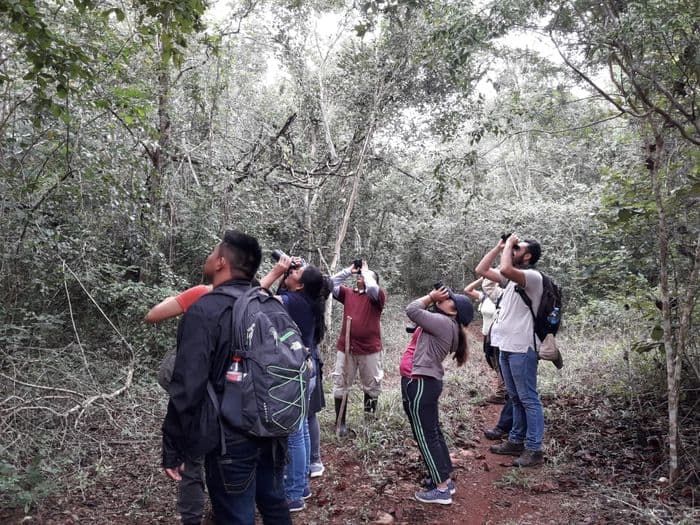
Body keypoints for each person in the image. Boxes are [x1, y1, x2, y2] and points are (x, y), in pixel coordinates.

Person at [162, 230, 292, 525]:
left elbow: (187, 384)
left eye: (212, 252)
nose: (208, 257)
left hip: (230, 438)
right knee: (274, 504)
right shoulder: (268, 303)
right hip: (274, 426)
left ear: (221, 262)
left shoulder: (205, 310)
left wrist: (174, 444)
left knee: (236, 515)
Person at [260, 254, 330, 512]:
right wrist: (287, 273)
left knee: (294, 433)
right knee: (299, 429)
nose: (291, 272)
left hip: (297, 371)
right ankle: (301, 487)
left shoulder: (293, 301)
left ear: (300, 285)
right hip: (307, 366)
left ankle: (294, 495)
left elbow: (254, 298)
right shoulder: (304, 299)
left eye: (296, 273)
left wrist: (276, 271)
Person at [475, 234, 545, 467]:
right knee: (514, 397)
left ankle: (534, 449)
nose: (511, 250)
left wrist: (510, 245)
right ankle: (515, 440)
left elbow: (505, 268)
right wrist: (498, 246)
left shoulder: (532, 277)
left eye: (517, 248)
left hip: (522, 348)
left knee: (528, 398)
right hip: (505, 346)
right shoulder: (512, 280)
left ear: (527, 256)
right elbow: (481, 269)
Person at [399, 285, 473, 505]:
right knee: (432, 433)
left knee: (424, 435)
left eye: (451, 299)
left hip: (420, 383)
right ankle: (444, 479)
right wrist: (435, 299)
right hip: (426, 383)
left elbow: (412, 309)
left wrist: (431, 297)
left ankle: (441, 489)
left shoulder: (442, 323)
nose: (445, 297)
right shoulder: (446, 323)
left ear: (454, 312)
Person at [145, 284, 211, 525]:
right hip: (233, 393)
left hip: (196, 388)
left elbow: (153, 314)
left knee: (193, 461)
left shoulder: (203, 292)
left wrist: (173, 300)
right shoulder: (251, 294)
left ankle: (193, 518)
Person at [330, 260, 386, 436]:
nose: (360, 277)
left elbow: (372, 288)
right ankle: (341, 425)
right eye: (360, 276)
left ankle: (368, 426)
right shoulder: (348, 293)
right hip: (346, 348)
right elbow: (330, 284)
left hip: (370, 350)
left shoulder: (377, 296)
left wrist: (367, 272)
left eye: (364, 276)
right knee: (340, 385)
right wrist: (349, 270)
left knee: (371, 386)